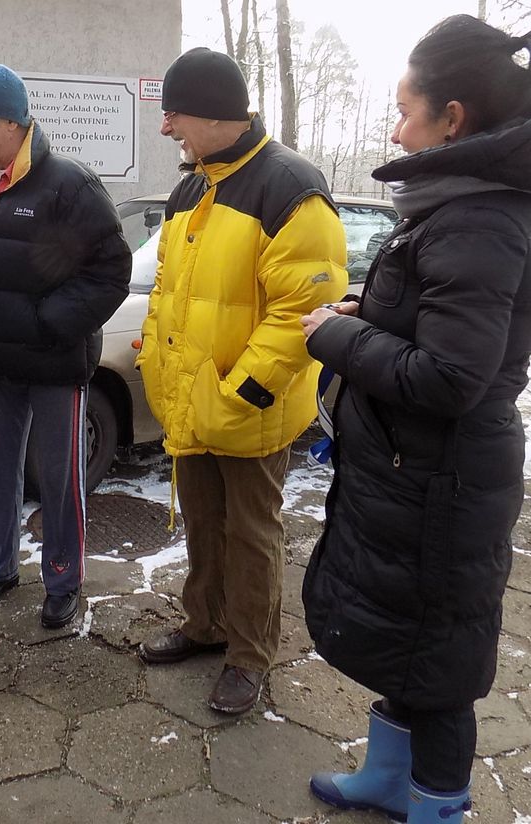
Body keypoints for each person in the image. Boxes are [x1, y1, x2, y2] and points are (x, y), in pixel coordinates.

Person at [299, 16, 531, 824]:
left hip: (442, 477)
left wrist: (337, 333)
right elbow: (439, 324)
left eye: (405, 108)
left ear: (453, 118)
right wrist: (369, 310)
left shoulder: (477, 219)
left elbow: (451, 376)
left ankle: (437, 805)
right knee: (410, 645)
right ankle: (387, 775)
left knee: (436, 662)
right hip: (418, 471)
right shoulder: (459, 206)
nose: (394, 126)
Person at [135, 47, 348, 715]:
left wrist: (248, 389)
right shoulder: (190, 186)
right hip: (193, 400)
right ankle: (204, 626)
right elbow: (170, 288)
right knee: (202, 521)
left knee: (252, 535)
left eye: (173, 115)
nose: (166, 129)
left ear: (209, 112)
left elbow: (302, 310)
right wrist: (157, 357)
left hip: (251, 406)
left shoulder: (289, 186)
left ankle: (249, 656)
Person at [0, 64, 131, 629]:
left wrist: (50, 322)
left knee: (59, 480)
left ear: (11, 121)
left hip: (55, 364)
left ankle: (63, 579)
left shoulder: (68, 184)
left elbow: (111, 269)